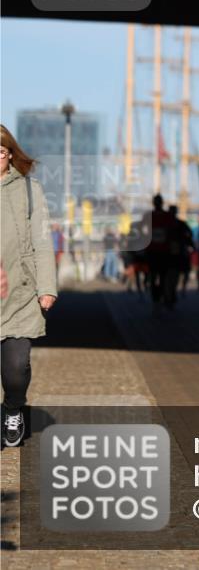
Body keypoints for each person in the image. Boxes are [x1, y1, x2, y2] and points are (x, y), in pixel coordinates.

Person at [0, 125, 58, 447]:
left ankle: (13, 407)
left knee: (15, 366)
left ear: (10, 155)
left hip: (18, 292)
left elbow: (42, 241)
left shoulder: (28, 190)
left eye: (0, 152)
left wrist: (46, 286)